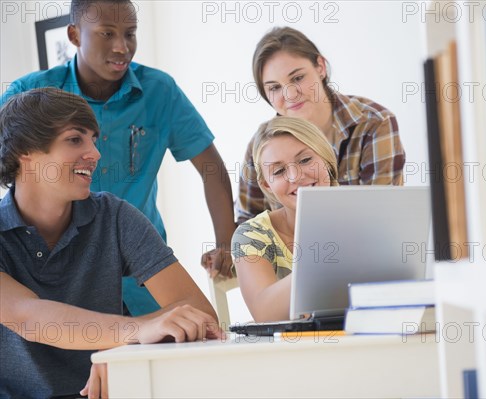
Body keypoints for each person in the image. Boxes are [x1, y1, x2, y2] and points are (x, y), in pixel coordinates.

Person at [0, 0, 236, 315]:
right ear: (74, 35)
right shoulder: (32, 92)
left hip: (143, 268)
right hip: (60, 276)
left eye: (130, 34)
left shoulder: (159, 91)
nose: (122, 47)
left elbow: (211, 168)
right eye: (107, 33)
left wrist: (225, 243)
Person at [0, 88, 224, 398]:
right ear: (26, 150)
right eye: (75, 139)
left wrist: (120, 354)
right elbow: (28, 317)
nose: (95, 153)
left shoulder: (114, 216)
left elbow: (201, 314)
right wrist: (127, 339)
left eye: (93, 138)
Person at [234, 26, 405, 228]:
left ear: (321, 67)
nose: (289, 95)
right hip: (289, 258)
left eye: (297, 78)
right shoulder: (260, 147)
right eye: (275, 87)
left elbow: (382, 216)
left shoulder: (374, 124)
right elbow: (247, 224)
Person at [231, 116, 339, 322]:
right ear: (267, 185)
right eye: (279, 171)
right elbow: (264, 313)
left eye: (305, 160)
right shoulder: (252, 236)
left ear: (326, 158)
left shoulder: (364, 214)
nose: (295, 176)